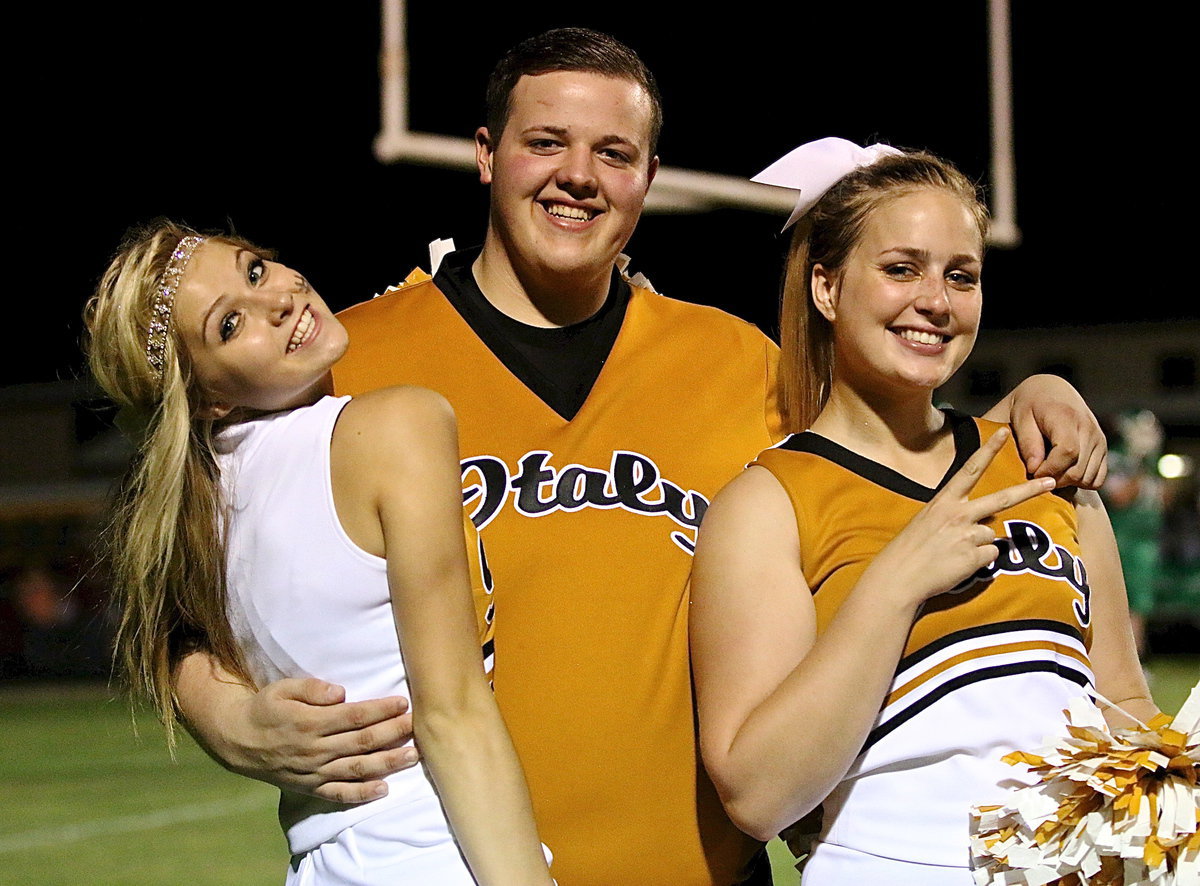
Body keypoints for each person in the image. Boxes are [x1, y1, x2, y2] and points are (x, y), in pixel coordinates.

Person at [170, 32, 1111, 886]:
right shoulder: (342, 363)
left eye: (613, 153)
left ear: (648, 178)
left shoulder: (739, 362)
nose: (579, 176)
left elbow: (891, 451)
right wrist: (232, 721)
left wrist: (1026, 405)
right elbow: (183, 605)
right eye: (546, 143)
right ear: (486, 155)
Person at [689, 139, 1156, 885]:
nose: (935, 301)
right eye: (900, 268)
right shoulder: (767, 504)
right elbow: (757, 794)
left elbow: (1123, 699)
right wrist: (896, 584)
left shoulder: (1044, 465)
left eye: (960, 276)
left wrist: (1166, 814)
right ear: (827, 288)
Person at [85, 222, 553, 886]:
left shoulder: (196, 512)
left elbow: (175, 640)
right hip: (440, 852)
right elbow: (452, 719)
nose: (275, 298)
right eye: (228, 325)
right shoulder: (396, 425)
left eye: (253, 270)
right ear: (208, 396)